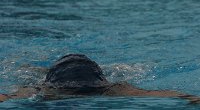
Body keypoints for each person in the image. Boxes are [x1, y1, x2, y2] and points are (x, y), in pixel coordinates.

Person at [0, 54, 200, 104]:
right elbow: (155, 94)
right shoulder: (115, 89)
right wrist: (188, 97)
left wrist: (189, 97)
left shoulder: (44, 90)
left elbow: (8, 97)